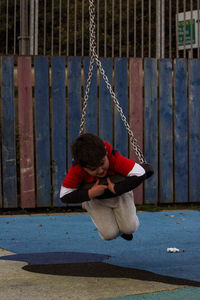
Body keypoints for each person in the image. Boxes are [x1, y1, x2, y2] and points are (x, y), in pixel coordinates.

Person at [60, 133, 153, 241]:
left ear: (106, 152)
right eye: (93, 169)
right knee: (109, 235)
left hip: (120, 195)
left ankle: (124, 228)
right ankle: (115, 228)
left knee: (129, 228)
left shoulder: (113, 157)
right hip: (96, 200)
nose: (100, 170)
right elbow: (64, 195)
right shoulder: (77, 168)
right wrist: (90, 193)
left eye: (102, 163)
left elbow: (140, 172)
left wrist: (117, 189)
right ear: (82, 167)